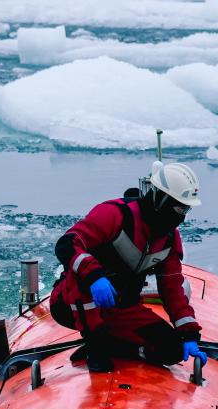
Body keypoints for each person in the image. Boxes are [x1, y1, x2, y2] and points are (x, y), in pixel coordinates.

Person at [50, 160, 209, 373]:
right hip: (73, 304)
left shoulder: (168, 240)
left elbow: (172, 289)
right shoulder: (115, 215)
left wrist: (189, 334)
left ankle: (112, 346)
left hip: (120, 309)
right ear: (161, 199)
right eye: (179, 208)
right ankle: (96, 345)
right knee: (83, 286)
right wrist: (95, 277)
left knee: (172, 351)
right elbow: (68, 243)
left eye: (186, 209)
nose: (182, 215)